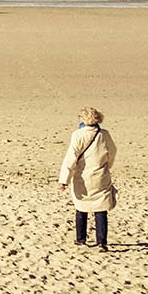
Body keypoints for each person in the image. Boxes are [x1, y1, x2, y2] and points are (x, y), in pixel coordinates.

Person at [59, 107, 117, 252]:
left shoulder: (78, 135)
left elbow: (71, 158)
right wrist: (107, 166)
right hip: (100, 176)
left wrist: (64, 179)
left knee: (81, 207)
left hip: (83, 177)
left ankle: (81, 239)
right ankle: (101, 242)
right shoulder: (104, 134)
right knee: (101, 208)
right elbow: (112, 152)